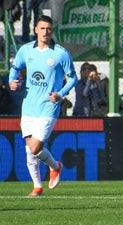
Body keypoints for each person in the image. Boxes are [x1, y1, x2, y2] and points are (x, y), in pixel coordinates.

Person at [8, 15, 77, 196]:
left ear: (52, 31)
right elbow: (15, 69)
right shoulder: (25, 51)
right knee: (29, 149)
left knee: (35, 147)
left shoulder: (60, 53)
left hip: (49, 106)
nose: (46, 32)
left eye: (49, 29)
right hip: (29, 106)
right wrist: (11, 82)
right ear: (36, 30)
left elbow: (73, 78)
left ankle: (56, 166)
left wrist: (60, 94)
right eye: (42, 28)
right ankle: (37, 187)